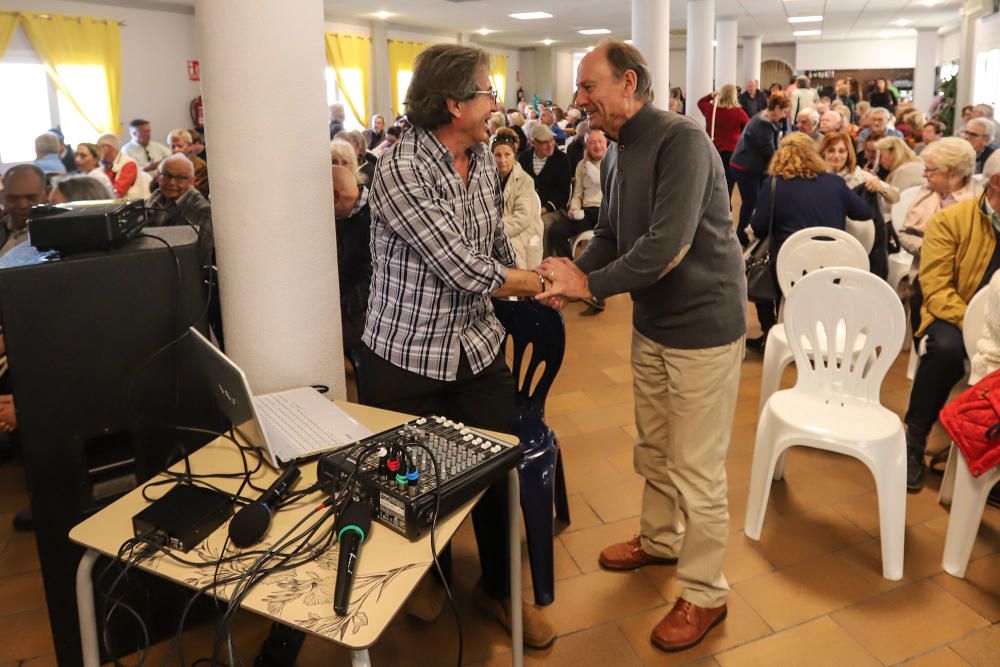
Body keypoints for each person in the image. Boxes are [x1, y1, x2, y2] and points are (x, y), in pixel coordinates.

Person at [537, 40, 745, 653]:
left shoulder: (683, 141)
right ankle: (660, 540)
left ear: (628, 83)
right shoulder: (619, 151)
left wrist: (589, 286)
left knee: (698, 466)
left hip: (703, 328)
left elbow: (666, 247)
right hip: (654, 325)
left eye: (588, 86)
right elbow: (608, 233)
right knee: (654, 443)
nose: (579, 100)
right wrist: (572, 267)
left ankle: (706, 591)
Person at [361, 43, 556, 650]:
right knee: (414, 481)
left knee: (496, 472)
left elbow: (494, 247)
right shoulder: (401, 168)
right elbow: (462, 268)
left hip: (474, 350)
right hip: (406, 356)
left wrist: (538, 275)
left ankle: (495, 588)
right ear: (453, 103)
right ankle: (425, 575)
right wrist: (543, 283)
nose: (496, 102)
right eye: (487, 91)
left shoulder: (478, 161)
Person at [904, 151, 1000, 491]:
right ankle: (914, 440)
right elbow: (936, 288)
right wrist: (975, 327)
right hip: (950, 312)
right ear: (996, 184)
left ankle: (990, 452)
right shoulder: (952, 220)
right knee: (944, 349)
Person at [747, 134, 871, 347]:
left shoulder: (774, 183)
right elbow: (864, 212)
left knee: (764, 266)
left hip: (791, 268)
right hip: (835, 266)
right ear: (815, 155)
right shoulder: (835, 183)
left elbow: (758, 227)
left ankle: (770, 330)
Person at [899, 138, 981, 334]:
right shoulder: (926, 193)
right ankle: (924, 346)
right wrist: (929, 249)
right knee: (920, 294)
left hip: (969, 279)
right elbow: (905, 233)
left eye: (930, 170)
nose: (924, 174)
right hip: (925, 269)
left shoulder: (978, 200)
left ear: (951, 172)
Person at [730, 92, 792, 245]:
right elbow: (769, 152)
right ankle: (741, 238)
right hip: (745, 167)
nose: (784, 116)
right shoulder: (762, 123)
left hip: (751, 167)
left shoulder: (765, 116)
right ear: (777, 108)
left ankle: (747, 235)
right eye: (784, 112)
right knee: (751, 202)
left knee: (756, 201)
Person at [549, 129, 607, 261]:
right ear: (586, 146)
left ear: (606, 143)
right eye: (592, 143)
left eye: (600, 141)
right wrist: (574, 208)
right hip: (587, 212)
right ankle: (569, 265)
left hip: (606, 212)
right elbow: (577, 194)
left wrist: (587, 163)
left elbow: (599, 180)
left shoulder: (612, 161)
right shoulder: (581, 165)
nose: (597, 146)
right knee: (556, 231)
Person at [331, 165, 372, 352]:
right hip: (348, 302)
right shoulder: (346, 215)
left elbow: (371, 283)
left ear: (335, 196)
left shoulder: (375, 219)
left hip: (369, 311)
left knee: (319, 341)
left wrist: (339, 308)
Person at [145, 154, 213, 263]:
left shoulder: (201, 210)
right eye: (167, 175)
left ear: (192, 181)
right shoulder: (150, 202)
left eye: (181, 178)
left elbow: (198, 255)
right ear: (157, 176)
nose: (172, 182)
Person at [492, 128, 543, 269]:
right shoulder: (488, 179)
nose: (502, 160)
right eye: (498, 155)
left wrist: (492, 231)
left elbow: (522, 218)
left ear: (514, 157)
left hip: (523, 232)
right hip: (499, 232)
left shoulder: (525, 181)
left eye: (507, 155)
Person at [517, 123, 571, 256]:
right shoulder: (523, 159)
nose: (550, 145)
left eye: (552, 140)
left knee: (542, 225)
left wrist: (543, 209)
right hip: (527, 207)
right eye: (544, 142)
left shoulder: (561, 159)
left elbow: (563, 195)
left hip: (554, 209)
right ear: (532, 142)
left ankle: (543, 264)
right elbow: (518, 188)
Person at [697, 85, 750, 195]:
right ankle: (727, 205)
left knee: (712, 179)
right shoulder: (739, 112)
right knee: (728, 180)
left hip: (714, 149)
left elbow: (700, 102)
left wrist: (711, 96)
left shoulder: (711, 109)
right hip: (732, 151)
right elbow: (748, 127)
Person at [865, 136, 925, 220]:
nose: (879, 161)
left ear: (893, 153)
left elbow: (891, 204)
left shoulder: (903, 171)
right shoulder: (917, 164)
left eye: (881, 156)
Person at [1, 165, 47, 258]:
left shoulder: (58, 234)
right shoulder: (2, 228)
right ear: (3, 197)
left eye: (31, 198)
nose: (23, 205)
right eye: (13, 198)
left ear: (45, 195)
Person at [96, 133, 149, 200]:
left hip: (129, 207)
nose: (97, 151)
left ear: (108, 147)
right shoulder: (104, 165)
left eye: (98, 147)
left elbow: (118, 193)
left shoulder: (128, 163)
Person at [167, 129, 210, 199]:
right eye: (172, 146)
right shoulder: (165, 165)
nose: (176, 150)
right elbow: (153, 187)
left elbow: (198, 193)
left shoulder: (201, 167)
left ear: (190, 146)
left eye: (180, 146)